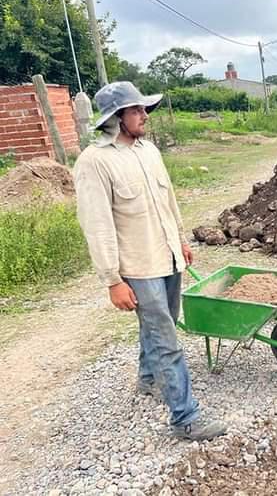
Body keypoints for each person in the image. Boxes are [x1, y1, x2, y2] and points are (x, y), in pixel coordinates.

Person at [73, 81, 227, 441]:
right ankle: (186, 418)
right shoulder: (94, 162)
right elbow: (97, 225)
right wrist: (113, 280)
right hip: (138, 266)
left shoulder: (149, 151)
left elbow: (168, 200)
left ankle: (147, 378)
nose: (145, 115)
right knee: (165, 339)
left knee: (162, 323)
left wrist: (180, 240)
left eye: (144, 108)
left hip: (166, 256)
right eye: (136, 110)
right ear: (116, 117)